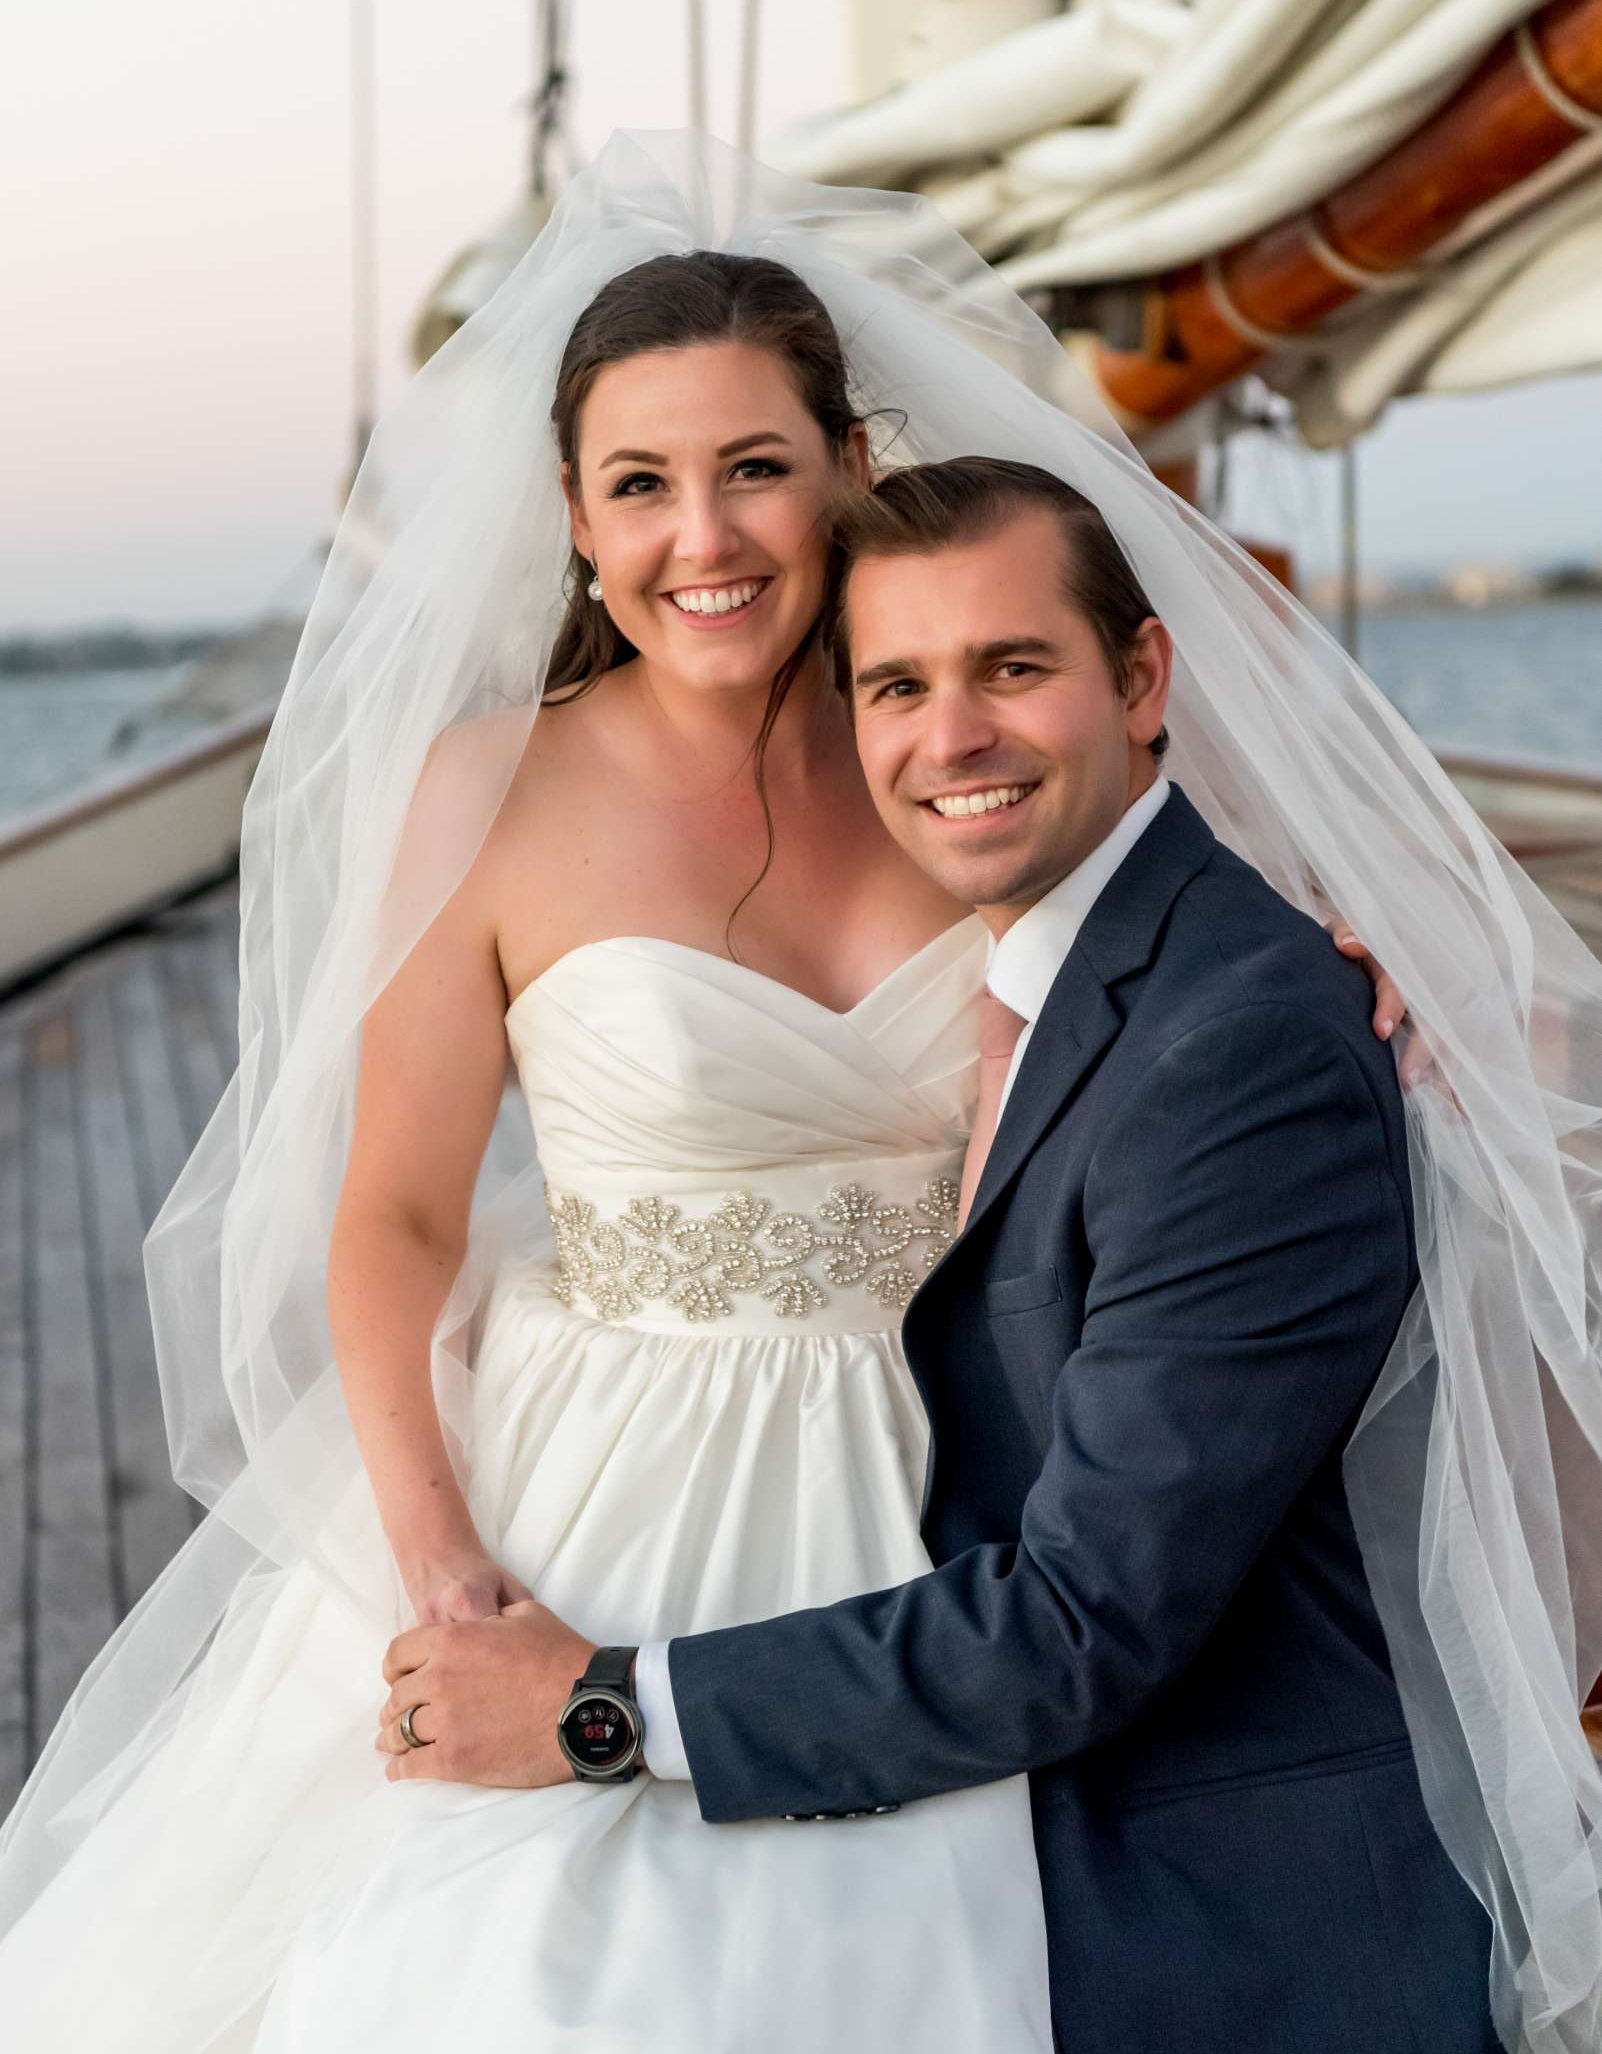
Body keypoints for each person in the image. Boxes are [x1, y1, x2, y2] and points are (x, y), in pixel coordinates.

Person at [0, 132, 1597, 2054]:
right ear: (575, 524)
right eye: (642, 487)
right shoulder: (488, 787)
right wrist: (442, 1562)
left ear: (851, 466)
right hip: (601, 1464)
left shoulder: (946, 742)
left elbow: (1186, 938)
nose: (708, 536)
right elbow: (398, 1212)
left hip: (958, 1440)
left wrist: (1357, 962)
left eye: (757, 466)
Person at [383, 454, 1499, 2054]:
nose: (948, 737)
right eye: (893, 684)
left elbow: (1084, 1623)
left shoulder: (1234, 1047)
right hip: (947, 1694)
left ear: (1140, 676)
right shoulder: (1080, 957)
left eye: (1012, 668)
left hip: (1213, 1903)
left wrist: (594, 1706)